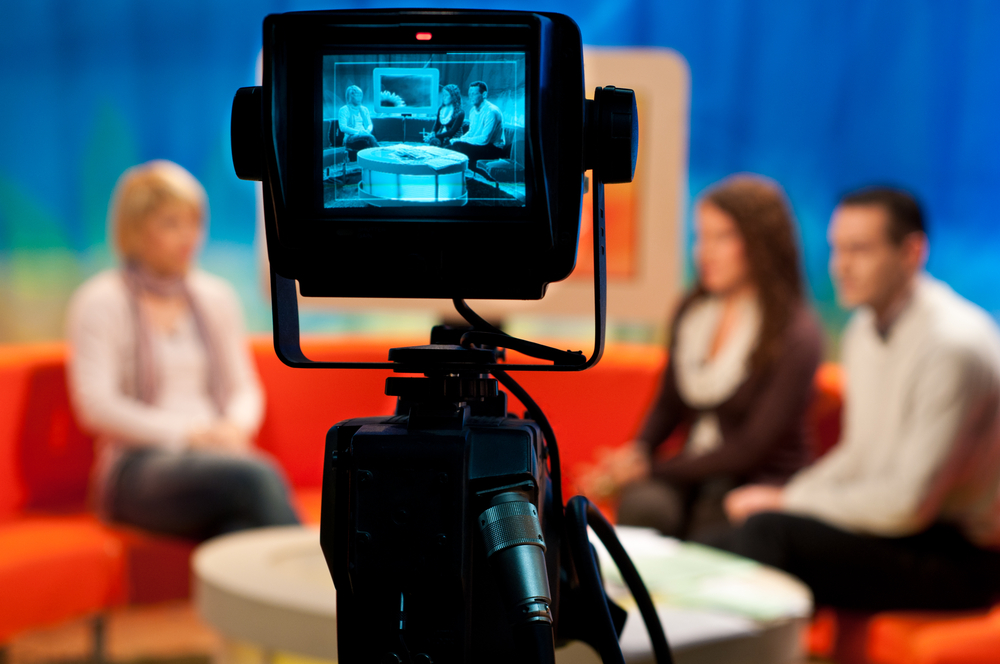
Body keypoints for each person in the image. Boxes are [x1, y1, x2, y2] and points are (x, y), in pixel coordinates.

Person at [720, 187, 1000, 611]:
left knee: (767, 534)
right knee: (722, 534)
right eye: (836, 249)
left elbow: (909, 506)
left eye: (860, 250)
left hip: (960, 554)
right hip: (901, 532)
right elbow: (859, 456)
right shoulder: (863, 330)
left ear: (912, 251)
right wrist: (787, 495)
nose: (841, 266)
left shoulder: (952, 345)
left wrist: (789, 501)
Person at [577, 174, 822, 541]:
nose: (705, 252)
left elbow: (750, 449)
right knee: (645, 507)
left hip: (755, 478)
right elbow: (667, 406)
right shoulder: (692, 311)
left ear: (761, 243)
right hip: (691, 471)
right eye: (701, 237)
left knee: (716, 521)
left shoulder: (797, 333)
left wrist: (652, 469)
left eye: (722, 238)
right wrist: (637, 454)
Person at [67, 160, 300, 541]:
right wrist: (189, 435)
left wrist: (232, 429)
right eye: (171, 224)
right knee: (257, 476)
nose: (188, 237)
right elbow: (95, 406)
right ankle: (321, 595)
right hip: (138, 466)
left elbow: (244, 388)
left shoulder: (215, 296)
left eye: (194, 223)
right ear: (135, 230)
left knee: (239, 528)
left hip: (216, 456)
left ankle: (299, 595)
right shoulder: (101, 300)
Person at [448, 80, 504, 171]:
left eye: (474, 94)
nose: (470, 97)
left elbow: (484, 140)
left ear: (484, 95)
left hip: (493, 148)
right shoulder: (472, 111)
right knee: (451, 144)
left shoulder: (491, 111)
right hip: (480, 145)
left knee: (459, 147)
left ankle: (461, 175)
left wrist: (462, 140)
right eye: (469, 94)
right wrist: (459, 139)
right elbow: (471, 132)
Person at [338, 85, 379, 154]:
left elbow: (369, 124)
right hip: (350, 137)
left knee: (368, 138)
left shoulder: (364, 109)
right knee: (370, 138)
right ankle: (379, 156)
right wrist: (358, 132)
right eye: (356, 95)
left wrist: (367, 131)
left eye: (360, 95)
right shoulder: (344, 110)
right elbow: (343, 127)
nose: (359, 98)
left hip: (365, 134)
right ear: (350, 96)